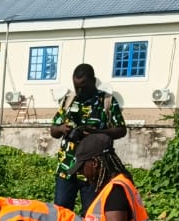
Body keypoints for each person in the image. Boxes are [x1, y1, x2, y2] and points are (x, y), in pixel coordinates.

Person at [49, 64, 127, 213]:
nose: (79, 91)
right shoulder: (68, 100)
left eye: (83, 87)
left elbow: (121, 130)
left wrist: (97, 132)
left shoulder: (107, 101)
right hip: (67, 168)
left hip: (93, 172)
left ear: (93, 81)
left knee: (92, 215)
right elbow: (53, 130)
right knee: (61, 214)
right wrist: (62, 129)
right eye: (76, 87)